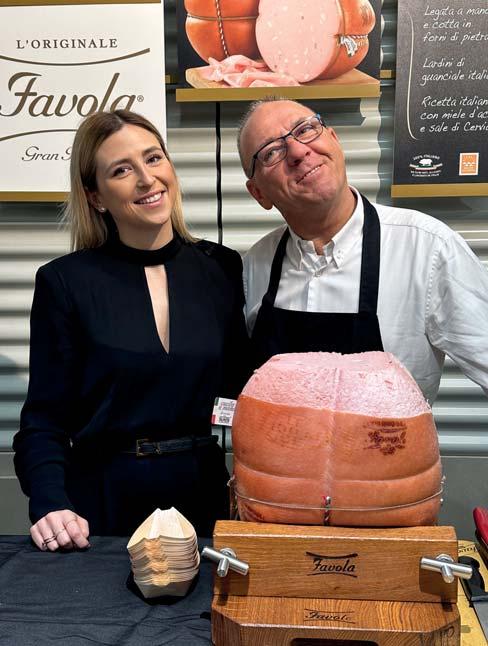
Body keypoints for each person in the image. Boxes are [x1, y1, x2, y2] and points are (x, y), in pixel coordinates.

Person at [14, 109, 250, 550]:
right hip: (103, 507)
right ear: (96, 197)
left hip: (203, 500)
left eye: (153, 158)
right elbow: (43, 420)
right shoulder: (65, 282)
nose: (146, 179)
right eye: (122, 170)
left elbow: (244, 393)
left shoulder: (221, 268)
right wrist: (50, 502)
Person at [237, 97, 488, 405]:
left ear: (334, 140)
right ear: (258, 194)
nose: (299, 152)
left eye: (305, 130)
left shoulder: (429, 249)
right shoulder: (254, 267)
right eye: (272, 152)